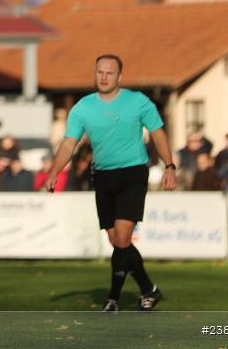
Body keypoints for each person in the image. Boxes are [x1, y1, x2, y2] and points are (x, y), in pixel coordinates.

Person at [43, 54, 177, 312]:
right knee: (117, 240)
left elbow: (158, 132)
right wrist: (54, 172)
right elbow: (69, 143)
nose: (104, 77)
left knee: (124, 236)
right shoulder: (83, 107)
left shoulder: (138, 101)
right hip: (103, 176)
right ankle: (149, 290)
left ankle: (112, 299)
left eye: (109, 72)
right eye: (99, 72)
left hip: (133, 173)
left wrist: (169, 165)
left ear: (119, 76)